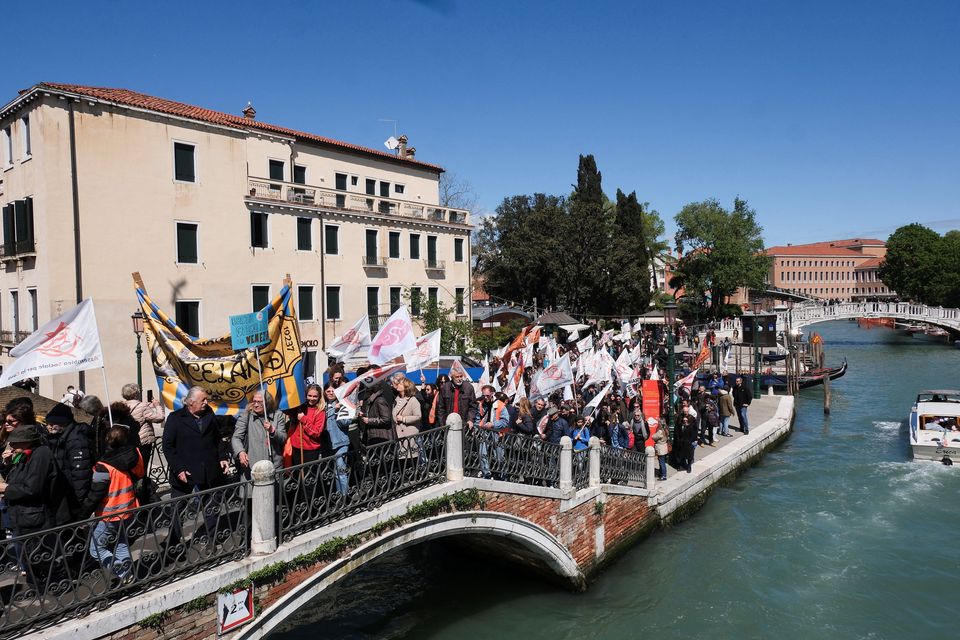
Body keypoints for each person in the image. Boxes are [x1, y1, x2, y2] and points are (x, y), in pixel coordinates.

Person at [161, 387, 231, 546]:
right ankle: (172, 544)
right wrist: (178, 469)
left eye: (206, 399)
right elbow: (168, 446)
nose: (206, 402)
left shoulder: (209, 413)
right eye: (203, 400)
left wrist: (222, 457)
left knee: (211, 507)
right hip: (185, 472)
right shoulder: (175, 418)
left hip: (209, 470)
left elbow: (217, 438)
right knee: (178, 510)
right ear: (191, 403)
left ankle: (211, 538)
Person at [82, 424, 145, 586]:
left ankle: (123, 572)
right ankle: (128, 575)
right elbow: (140, 473)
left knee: (96, 549)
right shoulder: (135, 453)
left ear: (107, 441)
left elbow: (95, 494)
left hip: (109, 514)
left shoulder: (103, 466)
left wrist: (81, 514)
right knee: (121, 543)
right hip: (129, 509)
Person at [43, 402, 93, 521]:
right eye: (48, 424)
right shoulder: (60, 437)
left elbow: (81, 473)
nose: (49, 427)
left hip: (74, 497)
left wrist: (81, 503)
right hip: (66, 492)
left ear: (63, 423)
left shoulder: (76, 440)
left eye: (52, 424)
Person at [232, 390, 287, 480]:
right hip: (252, 466)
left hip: (273, 464)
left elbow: (283, 438)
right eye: (254, 401)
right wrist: (240, 452)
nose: (256, 405)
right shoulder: (246, 415)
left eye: (259, 402)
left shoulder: (277, 415)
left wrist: (272, 430)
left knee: (273, 493)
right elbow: (236, 437)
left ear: (267, 403)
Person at [121, 383, 165, 465]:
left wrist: (148, 407)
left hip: (127, 441)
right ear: (135, 393)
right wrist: (157, 406)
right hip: (142, 441)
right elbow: (159, 418)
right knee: (142, 467)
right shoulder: (142, 406)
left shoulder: (121, 406)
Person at [322, 385, 351, 495]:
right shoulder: (322, 405)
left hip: (340, 443)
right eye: (328, 390)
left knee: (340, 472)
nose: (330, 393)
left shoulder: (342, 404)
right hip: (327, 443)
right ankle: (337, 496)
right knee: (330, 472)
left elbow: (346, 423)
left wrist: (338, 411)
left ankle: (344, 498)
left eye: (332, 391)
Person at [286, 384, 325, 465]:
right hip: (296, 447)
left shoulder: (320, 412)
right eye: (309, 395)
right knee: (296, 475)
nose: (312, 398)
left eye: (315, 396)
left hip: (310, 449)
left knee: (309, 476)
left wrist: (304, 419)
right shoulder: (300, 407)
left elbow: (316, 432)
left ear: (319, 397)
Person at [392, 376, 422, 465]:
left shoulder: (413, 400)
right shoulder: (396, 399)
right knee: (402, 459)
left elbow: (418, 416)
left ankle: (414, 477)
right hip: (398, 433)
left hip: (409, 433)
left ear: (406, 387)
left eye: (400, 384)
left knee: (411, 458)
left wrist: (404, 419)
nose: (398, 385)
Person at [357, 378, 393, 446]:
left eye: (366, 388)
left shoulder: (379, 400)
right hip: (374, 435)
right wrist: (364, 415)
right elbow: (374, 414)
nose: (365, 390)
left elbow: (386, 419)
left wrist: (369, 420)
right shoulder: (371, 400)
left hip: (381, 436)